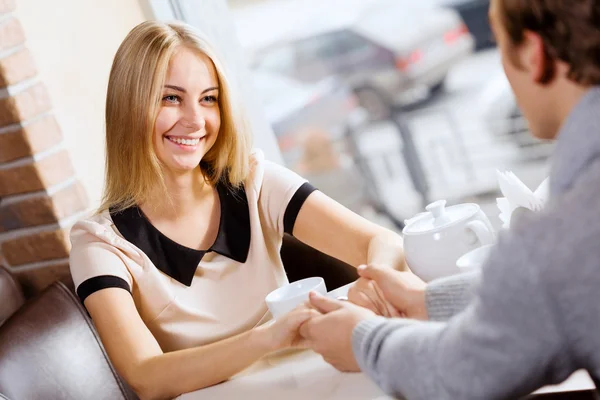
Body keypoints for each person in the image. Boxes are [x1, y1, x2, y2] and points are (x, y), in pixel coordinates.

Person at [68, 21, 405, 399]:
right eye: (171, 98)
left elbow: (382, 242)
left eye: (208, 99)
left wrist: (372, 282)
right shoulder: (99, 244)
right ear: (129, 107)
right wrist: (268, 339)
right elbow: (146, 376)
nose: (196, 121)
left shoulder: (254, 183)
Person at [300, 0, 600, 398]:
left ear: (533, 54)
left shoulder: (565, 228)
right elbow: (555, 289)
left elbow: (457, 371)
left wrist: (362, 339)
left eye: (499, 46)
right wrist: (429, 300)